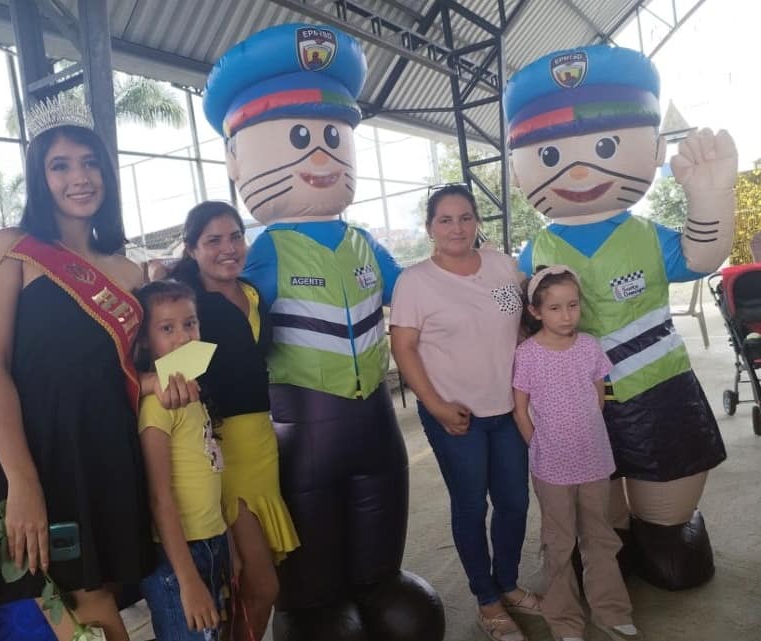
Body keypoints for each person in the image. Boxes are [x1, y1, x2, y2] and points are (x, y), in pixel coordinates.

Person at [202, 24, 444, 641]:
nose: (320, 156)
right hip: (301, 422)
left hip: (376, 416)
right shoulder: (262, 250)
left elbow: (418, 293)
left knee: (380, 509)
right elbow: (219, 322)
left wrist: (491, 290)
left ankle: (379, 582)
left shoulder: (364, 242)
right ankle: (312, 603)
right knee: (311, 530)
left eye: (332, 137)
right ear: (237, 160)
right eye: (299, 137)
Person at [504, 44, 735, 590]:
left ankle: (663, 528)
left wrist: (711, 196)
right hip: (572, 399)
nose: (580, 169)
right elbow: (506, 309)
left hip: (658, 389)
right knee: (599, 519)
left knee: (670, 541)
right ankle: (611, 537)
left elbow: (702, 255)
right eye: (550, 154)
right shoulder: (534, 251)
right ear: (517, 170)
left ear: (653, 149)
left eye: (605, 145)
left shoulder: (647, 236)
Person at [0, 96, 153, 641]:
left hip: (107, 457)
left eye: (90, 163)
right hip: (34, 455)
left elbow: (135, 372)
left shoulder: (130, 272)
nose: (80, 177)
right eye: (60, 165)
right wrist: (22, 482)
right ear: (40, 177)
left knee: (101, 599)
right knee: (66, 605)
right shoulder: (12, 250)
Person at [390, 184, 541, 641]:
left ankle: (508, 583)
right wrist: (436, 407)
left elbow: (521, 320)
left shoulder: (501, 266)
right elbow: (403, 347)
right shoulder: (416, 281)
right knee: (472, 505)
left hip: (508, 408)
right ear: (430, 228)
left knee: (514, 501)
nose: (457, 228)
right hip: (456, 416)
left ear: (477, 221)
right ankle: (487, 599)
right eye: (445, 220)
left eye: (465, 217)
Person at [169, 200, 299, 641]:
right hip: (222, 453)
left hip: (262, 444)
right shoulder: (190, 310)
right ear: (191, 249)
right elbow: (171, 378)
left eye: (235, 237)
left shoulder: (252, 294)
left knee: (246, 588)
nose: (228, 248)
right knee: (261, 587)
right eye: (213, 241)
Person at [512, 265, 643, 641]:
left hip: (595, 460)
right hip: (552, 467)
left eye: (572, 305)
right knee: (559, 543)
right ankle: (565, 620)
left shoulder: (589, 347)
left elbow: (597, 399)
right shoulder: (527, 354)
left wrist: (584, 437)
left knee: (600, 536)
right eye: (555, 308)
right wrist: (539, 446)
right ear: (536, 311)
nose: (566, 315)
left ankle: (611, 611)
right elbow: (520, 409)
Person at [135, 280, 232, 641]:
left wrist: (228, 545)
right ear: (145, 340)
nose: (183, 338)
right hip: (179, 558)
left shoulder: (193, 393)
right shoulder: (156, 405)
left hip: (211, 541)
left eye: (190, 323)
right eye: (167, 328)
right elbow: (159, 498)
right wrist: (188, 581)